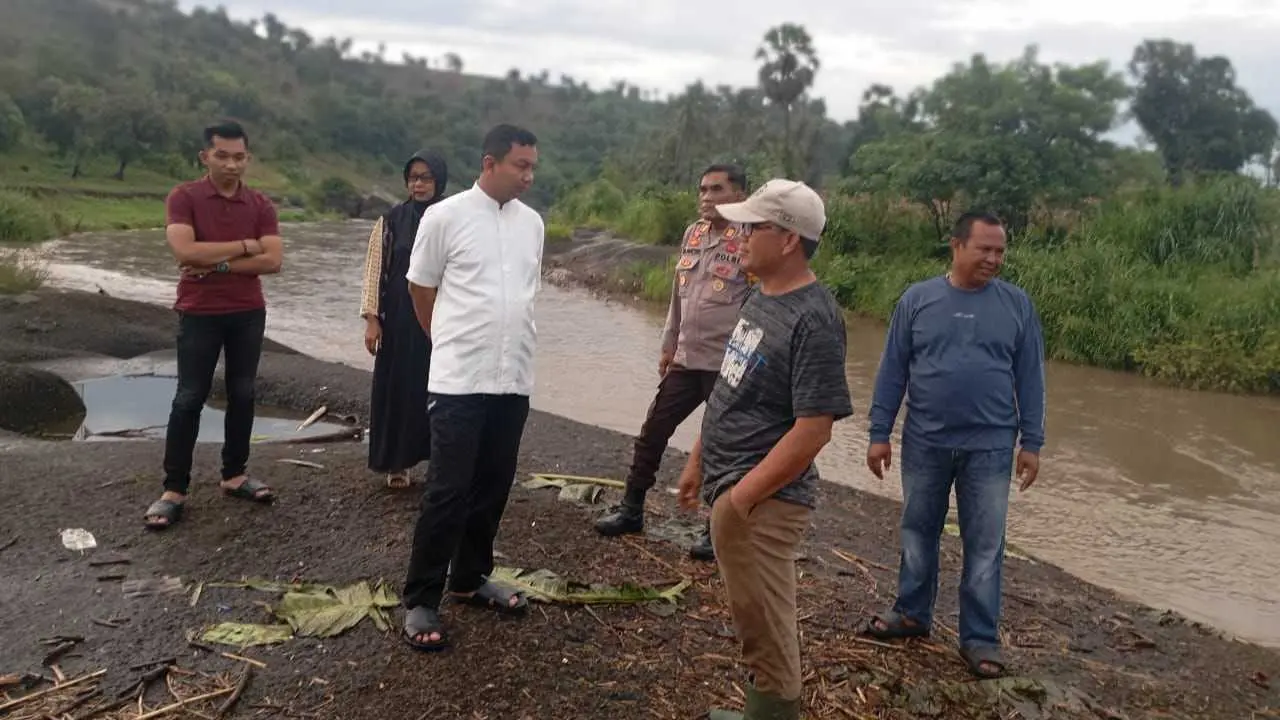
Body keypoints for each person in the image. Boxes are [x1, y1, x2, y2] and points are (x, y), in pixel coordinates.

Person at [677, 179, 853, 720]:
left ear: (789, 240)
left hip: (764, 503)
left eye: (754, 226)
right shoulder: (761, 295)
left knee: (768, 630)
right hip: (733, 489)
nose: (740, 236)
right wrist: (700, 457)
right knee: (751, 618)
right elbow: (732, 386)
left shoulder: (816, 319)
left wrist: (740, 499)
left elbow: (813, 430)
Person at [860, 211, 1046, 680]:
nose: (994, 258)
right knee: (918, 530)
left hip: (991, 446)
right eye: (985, 248)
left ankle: (979, 637)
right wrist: (879, 433)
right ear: (957, 246)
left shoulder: (1017, 305)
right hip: (925, 440)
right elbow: (892, 370)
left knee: (985, 545)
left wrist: (1033, 442)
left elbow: (1031, 378)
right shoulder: (918, 300)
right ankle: (912, 613)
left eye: (1001, 250)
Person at [399, 124, 544, 652]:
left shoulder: (532, 224)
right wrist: (445, 339)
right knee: (447, 488)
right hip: (460, 376)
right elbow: (420, 287)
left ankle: (470, 577)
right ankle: (421, 597)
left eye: (532, 166)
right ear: (490, 163)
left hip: (514, 376)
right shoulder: (446, 216)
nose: (529, 175)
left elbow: (526, 292)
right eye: (520, 165)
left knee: (494, 482)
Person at [594, 164, 751, 562]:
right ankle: (631, 509)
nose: (706, 197)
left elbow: (758, 306)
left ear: (740, 195)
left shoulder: (751, 237)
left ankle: (714, 529)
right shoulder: (693, 233)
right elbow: (677, 298)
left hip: (727, 364)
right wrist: (668, 345)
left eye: (716, 189)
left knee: (720, 447)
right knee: (653, 430)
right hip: (687, 358)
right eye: (702, 189)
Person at [144, 120, 284, 530]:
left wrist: (218, 262)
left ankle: (234, 474)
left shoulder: (260, 205)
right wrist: (245, 246)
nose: (231, 164)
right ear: (205, 156)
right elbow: (184, 250)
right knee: (189, 396)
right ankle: (174, 490)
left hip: (246, 311)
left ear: (248, 159)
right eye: (222, 155)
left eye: (239, 157)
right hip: (199, 310)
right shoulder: (184, 196)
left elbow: (273, 261)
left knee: (243, 392)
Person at [359, 150, 449, 489]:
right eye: (413, 177)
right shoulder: (391, 219)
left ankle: (441, 464)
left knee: (440, 391)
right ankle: (397, 464)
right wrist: (372, 318)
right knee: (398, 390)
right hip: (397, 320)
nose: (419, 183)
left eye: (426, 177)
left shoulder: (451, 218)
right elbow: (373, 270)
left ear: (439, 180)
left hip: (441, 319)